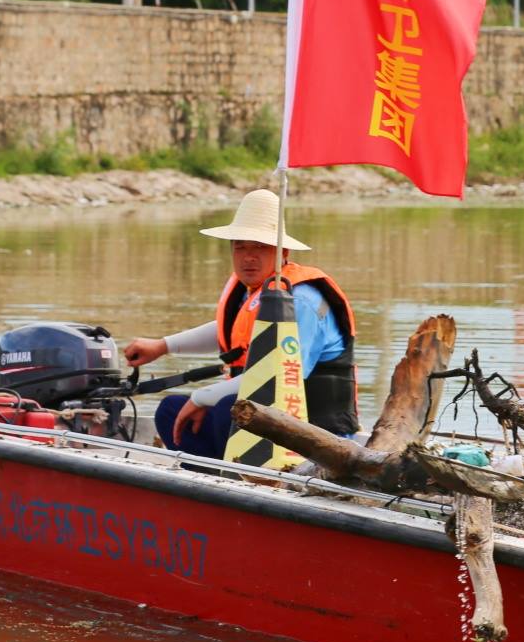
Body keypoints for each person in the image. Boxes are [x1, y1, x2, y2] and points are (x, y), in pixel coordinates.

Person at [121, 189, 358, 461]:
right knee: (171, 411)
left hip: (316, 428)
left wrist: (202, 397)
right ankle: (209, 479)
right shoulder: (254, 290)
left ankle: (239, 477)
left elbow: (279, 375)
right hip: (263, 411)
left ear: (283, 252)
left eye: (260, 247)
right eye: (241, 247)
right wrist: (163, 346)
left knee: (228, 409)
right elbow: (230, 329)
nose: (248, 257)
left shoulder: (301, 301)